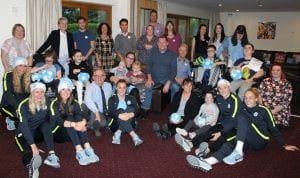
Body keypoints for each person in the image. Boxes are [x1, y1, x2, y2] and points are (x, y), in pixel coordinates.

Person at [186, 88, 299, 172]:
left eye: (250, 98)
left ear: (256, 98)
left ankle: (238, 152)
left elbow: (273, 128)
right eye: (245, 97)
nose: (247, 100)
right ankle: (209, 161)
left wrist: (284, 144)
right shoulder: (243, 109)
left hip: (261, 139)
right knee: (230, 143)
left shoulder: (264, 110)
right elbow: (232, 123)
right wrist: (220, 132)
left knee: (241, 117)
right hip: (247, 140)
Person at [175, 79, 242, 153]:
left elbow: (233, 120)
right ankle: (191, 144)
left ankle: (205, 150)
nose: (223, 90)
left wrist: (220, 132)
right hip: (222, 123)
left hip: (234, 126)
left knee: (222, 138)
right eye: (220, 88)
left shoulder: (235, 100)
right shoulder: (219, 98)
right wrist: (205, 120)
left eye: (225, 87)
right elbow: (211, 109)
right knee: (208, 132)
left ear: (229, 87)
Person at [50, 78, 100, 166]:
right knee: (70, 118)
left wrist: (83, 123)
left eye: (68, 89)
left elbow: (81, 115)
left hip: (73, 132)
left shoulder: (74, 102)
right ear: (59, 91)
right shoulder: (54, 104)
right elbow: (58, 121)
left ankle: (87, 147)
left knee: (78, 117)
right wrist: (75, 124)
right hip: (58, 134)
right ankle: (79, 150)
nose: (66, 92)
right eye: (63, 89)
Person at [15, 82, 60, 178]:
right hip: (23, 134)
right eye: (37, 92)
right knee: (28, 150)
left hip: (37, 134)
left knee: (46, 125)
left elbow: (54, 118)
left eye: (42, 92)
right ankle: (32, 166)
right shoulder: (23, 105)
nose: (40, 95)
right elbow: (24, 127)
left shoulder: (47, 102)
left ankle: (52, 154)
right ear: (32, 93)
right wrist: (33, 146)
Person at [108, 79, 143, 146]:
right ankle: (134, 136)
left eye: (124, 87)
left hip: (130, 121)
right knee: (120, 110)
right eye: (120, 87)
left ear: (126, 88)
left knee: (131, 108)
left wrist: (132, 114)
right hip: (115, 124)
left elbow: (138, 110)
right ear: (116, 88)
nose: (122, 89)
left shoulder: (131, 98)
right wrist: (119, 115)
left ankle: (118, 132)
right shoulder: (112, 98)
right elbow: (110, 112)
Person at [1, 57, 30, 130]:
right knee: (18, 115)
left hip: (22, 105)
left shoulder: (27, 76)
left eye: (25, 66)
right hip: (8, 104)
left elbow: (30, 94)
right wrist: (19, 108)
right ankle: (10, 119)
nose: (23, 68)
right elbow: (8, 94)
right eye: (20, 65)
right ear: (15, 66)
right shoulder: (8, 75)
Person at [146, 36, 177, 101]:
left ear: (167, 43)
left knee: (176, 87)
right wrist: (149, 79)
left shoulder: (172, 54)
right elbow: (148, 66)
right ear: (157, 43)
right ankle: (145, 108)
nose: (161, 44)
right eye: (160, 42)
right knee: (148, 87)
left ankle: (173, 108)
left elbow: (174, 71)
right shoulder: (152, 52)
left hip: (167, 79)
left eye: (164, 42)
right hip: (154, 79)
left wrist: (168, 83)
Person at [84, 68, 113, 137]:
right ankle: (94, 127)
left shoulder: (108, 85)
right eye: (96, 76)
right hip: (93, 109)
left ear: (105, 77)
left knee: (103, 123)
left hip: (102, 110)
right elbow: (87, 100)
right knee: (94, 104)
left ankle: (89, 124)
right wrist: (97, 113)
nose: (99, 78)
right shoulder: (90, 87)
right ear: (93, 77)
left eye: (101, 75)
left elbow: (110, 99)